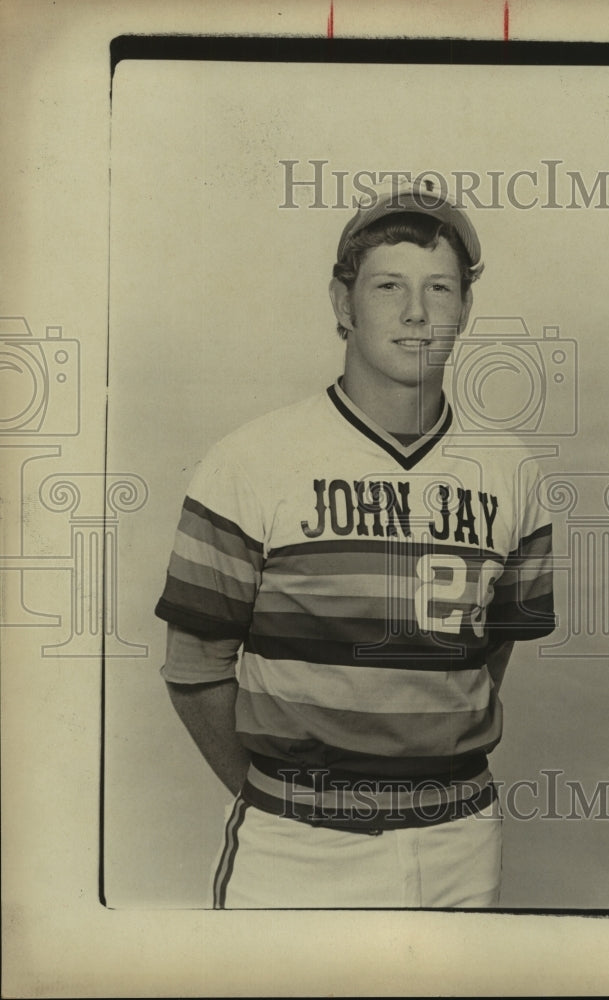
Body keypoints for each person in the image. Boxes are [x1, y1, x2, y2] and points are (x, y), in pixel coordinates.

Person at [155, 177, 556, 909]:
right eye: (387, 288)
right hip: (296, 849)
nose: (415, 314)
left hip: (459, 841)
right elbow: (193, 665)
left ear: (464, 308)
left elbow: (490, 648)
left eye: (439, 289)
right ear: (343, 304)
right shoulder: (251, 459)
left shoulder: (510, 470)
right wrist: (278, 798)